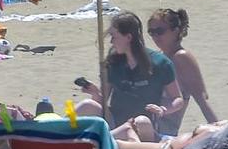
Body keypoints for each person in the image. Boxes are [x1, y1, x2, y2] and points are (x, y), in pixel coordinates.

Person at [78, 11, 182, 139]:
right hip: (115, 122)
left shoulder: (160, 63)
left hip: (144, 125)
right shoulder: (113, 62)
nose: (111, 41)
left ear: (128, 37)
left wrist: (163, 109)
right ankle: (55, 136)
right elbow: (103, 101)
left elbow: (178, 99)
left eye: (114, 36)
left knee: (141, 121)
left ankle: (108, 141)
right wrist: (95, 93)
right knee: (87, 105)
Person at [147, 7, 216, 131]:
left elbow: (201, 99)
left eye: (160, 31)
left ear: (175, 31)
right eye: (151, 32)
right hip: (150, 122)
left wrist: (218, 129)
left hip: (162, 128)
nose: (155, 36)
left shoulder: (181, 57)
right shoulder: (160, 57)